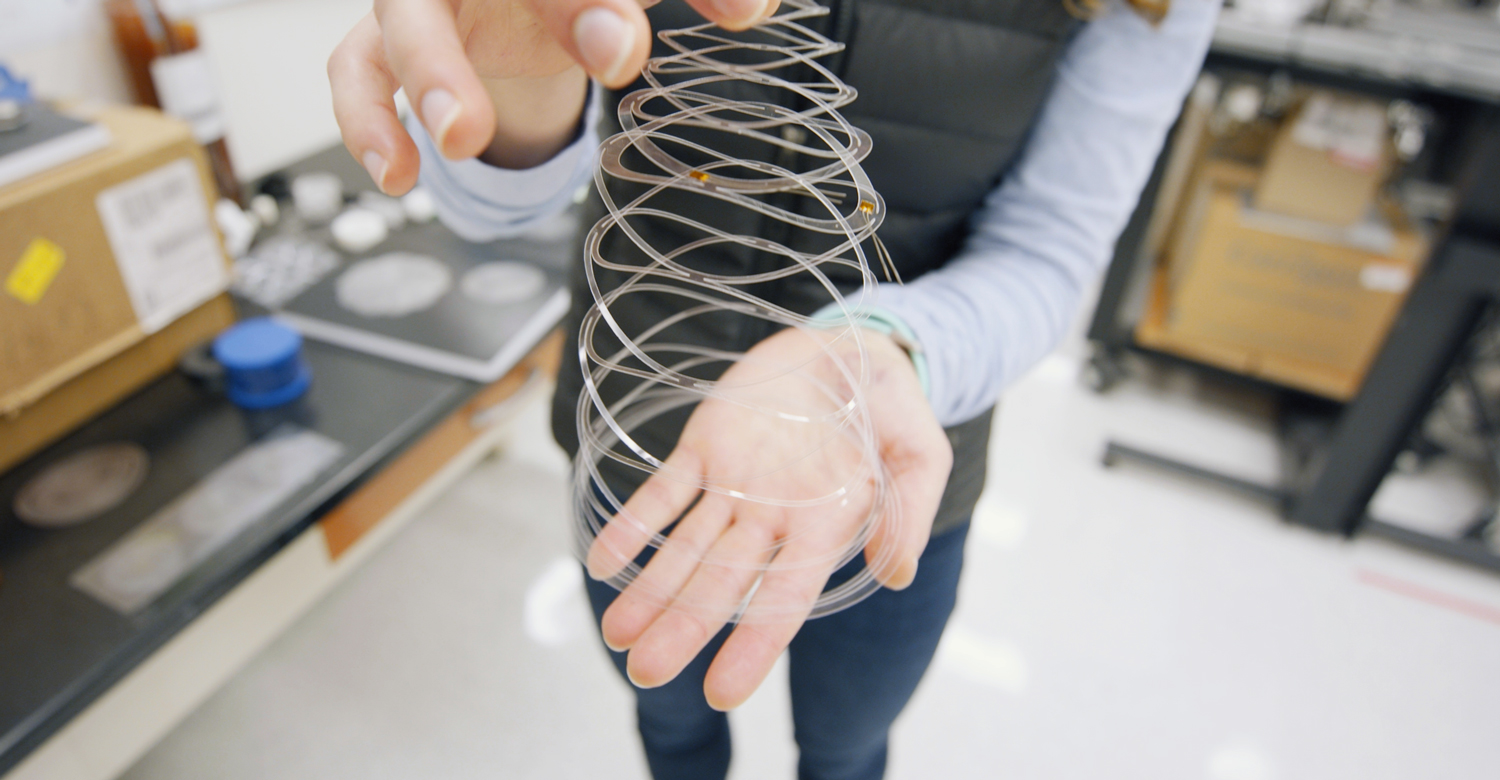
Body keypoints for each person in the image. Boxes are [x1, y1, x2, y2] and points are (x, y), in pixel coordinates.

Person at [328, 0, 1220, 778]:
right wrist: (510, 82)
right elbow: (500, 202)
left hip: (890, 461)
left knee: (845, 748)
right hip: (644, 452)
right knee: (671, 722)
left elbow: (1049, 248)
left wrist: (880, 349)